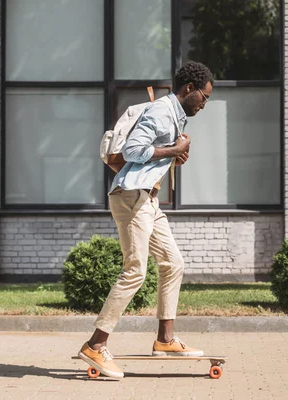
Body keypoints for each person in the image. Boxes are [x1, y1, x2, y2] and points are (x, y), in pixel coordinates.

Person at [78, 61, 214, 379]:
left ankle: (165, 340)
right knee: (135, 271)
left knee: (172, 262)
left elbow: (152, 153)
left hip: (147, 200)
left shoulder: (173, 114)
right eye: (204, 97)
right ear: (189, 89)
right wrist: (172, 150)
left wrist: (174, 152)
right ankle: (95, 346)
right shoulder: (161, 112)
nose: (204, 104)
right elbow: (132, 151)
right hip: (131, 198)